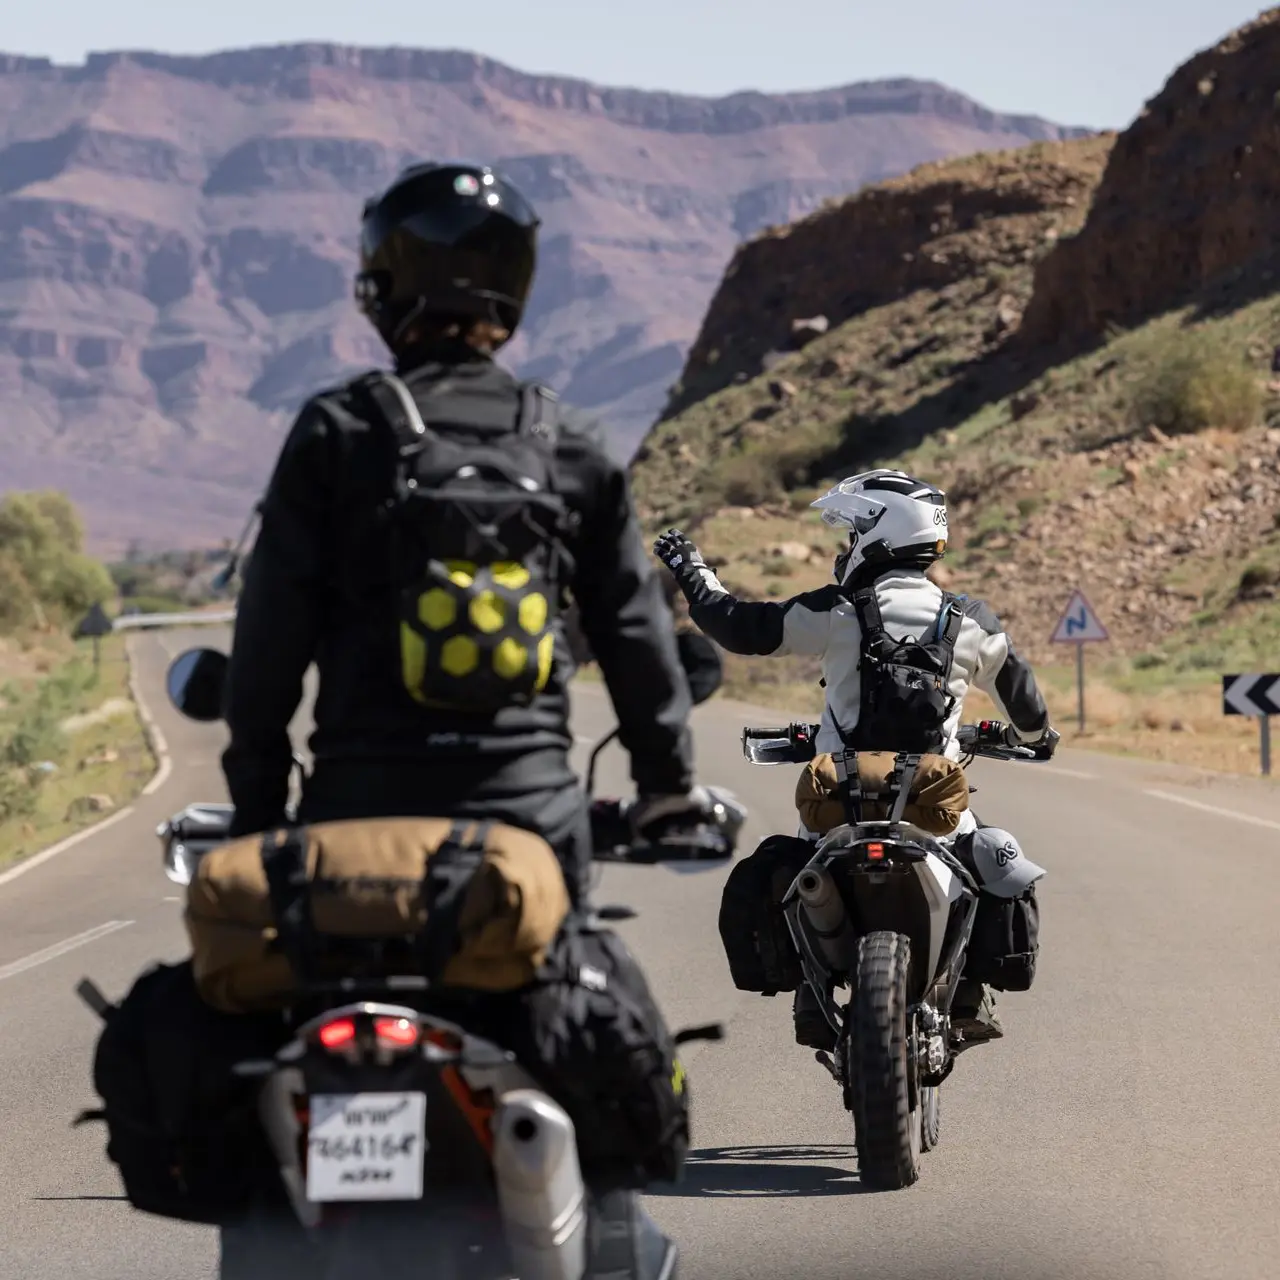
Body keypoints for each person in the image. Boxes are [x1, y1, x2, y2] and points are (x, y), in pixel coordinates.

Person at [220, 160, 704, 910]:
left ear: (382, 282)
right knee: (595, 981)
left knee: (263, 977)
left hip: (357, 814)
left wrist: (256, 804)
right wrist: (666, 785)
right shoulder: (570, 442)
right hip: (533, 813)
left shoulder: (338, 431)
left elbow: (269, 636)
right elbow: (631, 626)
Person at [653, 468, 1058, 1049]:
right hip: (931, 804)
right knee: (984, 859)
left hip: (839, 798)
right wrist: (1036, 736)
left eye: (851, 534)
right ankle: (969, 993)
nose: (846, 548)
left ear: (877, 532)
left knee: (794, 865)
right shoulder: (970, 620)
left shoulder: (837, 611)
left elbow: (738, 628)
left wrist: (694, 572)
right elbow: (1026, 705)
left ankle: (808, 990)